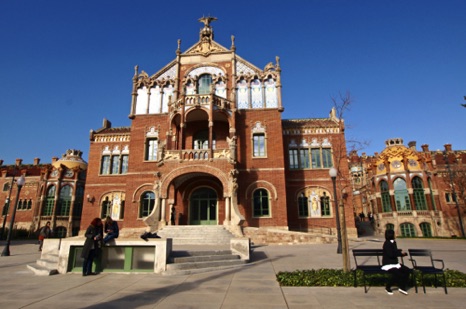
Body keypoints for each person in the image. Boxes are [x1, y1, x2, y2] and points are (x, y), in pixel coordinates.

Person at [382, 229, 411, 295]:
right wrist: (400, 254)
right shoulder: (387, 244)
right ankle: (388, 286)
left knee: (407, 270)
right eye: (394, 234)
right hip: (388, 264)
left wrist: (402, 253)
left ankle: (402, 287)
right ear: (391, 235)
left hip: (395, 263)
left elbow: (395, 251)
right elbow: (391, 254)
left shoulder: (394, 242)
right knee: (398, 274)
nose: (395, 235)